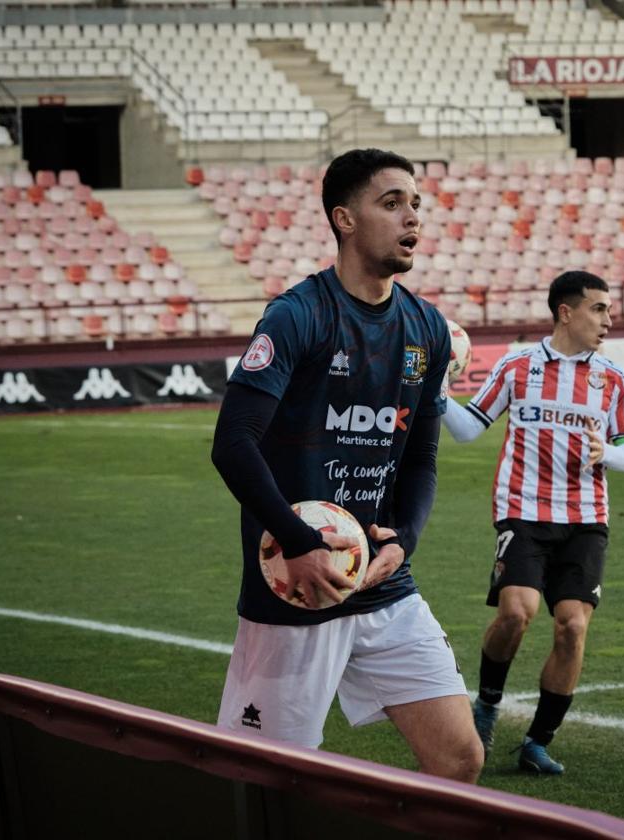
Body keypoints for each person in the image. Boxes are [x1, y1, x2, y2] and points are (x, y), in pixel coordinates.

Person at [210, 148, 483, 782]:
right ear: (345, 219)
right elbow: (233, 444)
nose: (411, 215)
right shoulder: (297, 315)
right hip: (299, 584)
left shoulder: (427, 330)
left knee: (459, 758)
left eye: (415, 203)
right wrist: (298, 541)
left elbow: (421, 458)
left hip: (382, 582)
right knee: (265, 777)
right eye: (391, 203)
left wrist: (403, 544)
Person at [441, 271, 624, 775]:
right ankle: (486, 708)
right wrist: (438, 393)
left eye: (610, 310)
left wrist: (609, 455)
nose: (608, 321)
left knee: (572, 627)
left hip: (586, 518)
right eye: (599, 309)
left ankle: (537, 741)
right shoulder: (517, 366)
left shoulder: (613, 378)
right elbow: (469, 430)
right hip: (524, 510)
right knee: (517, 611)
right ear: (566, 312)